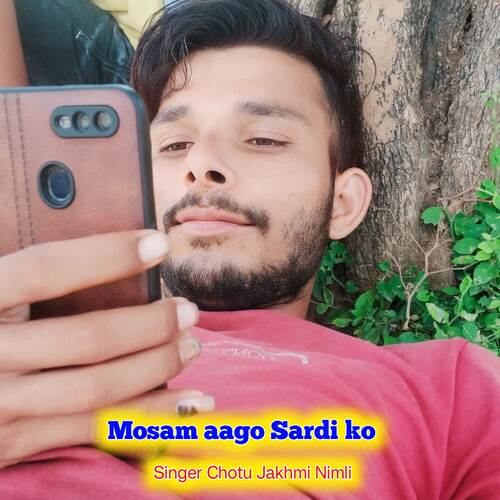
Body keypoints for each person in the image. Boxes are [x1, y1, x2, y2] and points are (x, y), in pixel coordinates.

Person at [0, 1, 498, 499]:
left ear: (342, 203)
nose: (202, 163)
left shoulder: (451, 389)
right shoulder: (27, 330)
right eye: (173, 145)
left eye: (263, 139)